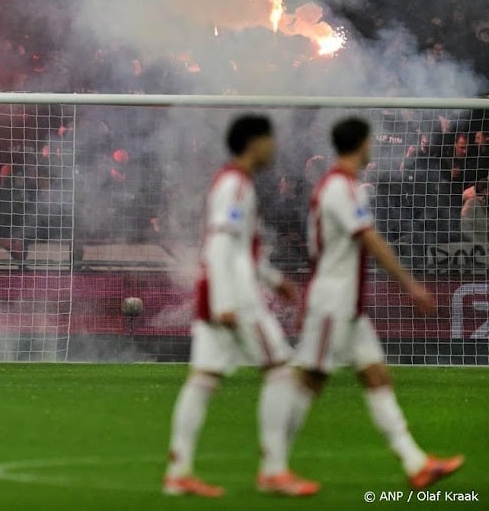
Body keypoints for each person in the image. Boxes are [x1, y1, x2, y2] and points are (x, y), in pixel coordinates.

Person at [287, 117, 464, 491]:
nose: (373, 148)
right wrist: (410, 284)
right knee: (309, 382)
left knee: (376, 375)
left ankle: (416, 463)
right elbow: (369, 238)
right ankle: (273, 463)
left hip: (347, 304)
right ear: (360, 144)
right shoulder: (340, 186)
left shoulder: (342, 185)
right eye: (370, 142)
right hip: (333, 301)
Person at [164, 115, 317, 498]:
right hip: (237, 299)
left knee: (203, 379)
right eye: (270, 139)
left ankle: (178, 471)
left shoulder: (235, 182)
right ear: (254, 143)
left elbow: (239, 248)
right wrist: (226, 303)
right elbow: (219, 245)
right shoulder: (234, 185)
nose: (274, 147)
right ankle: (274, 470)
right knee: (280, 371)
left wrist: (274, 279)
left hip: (220, 292)